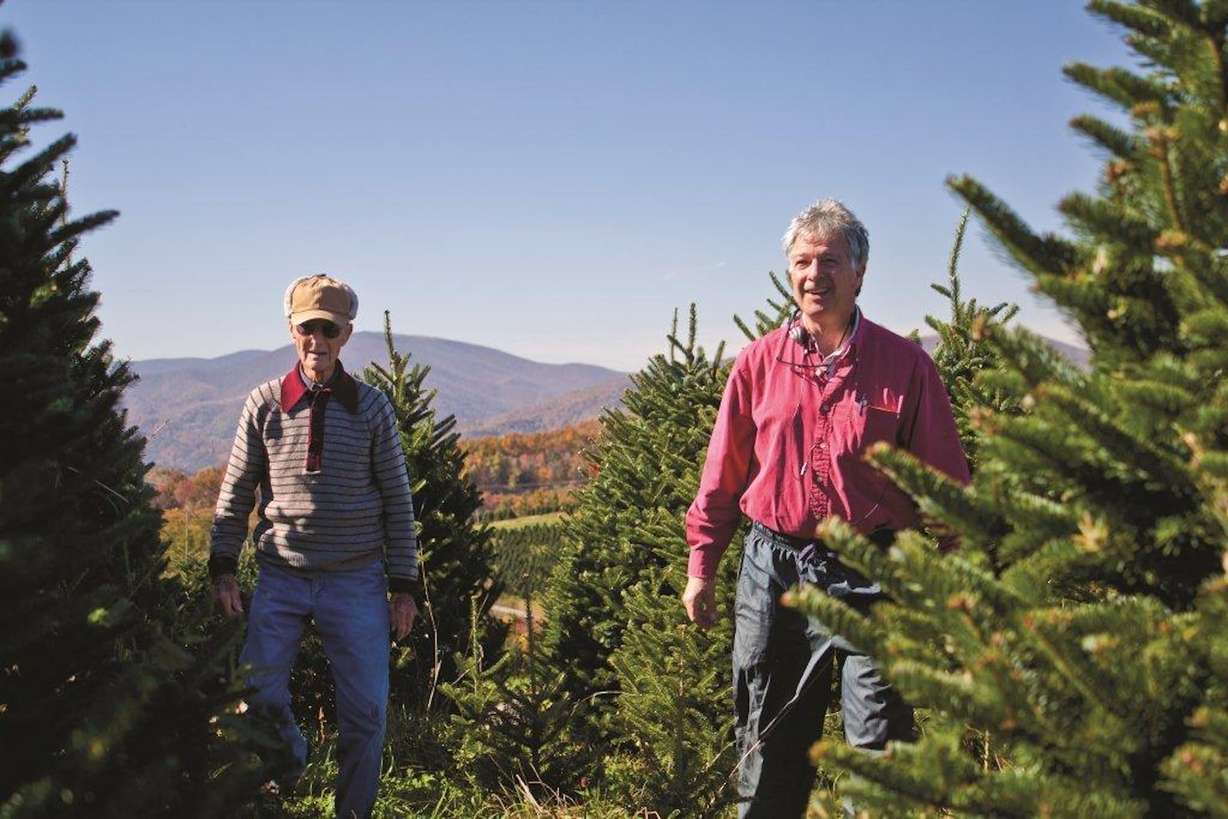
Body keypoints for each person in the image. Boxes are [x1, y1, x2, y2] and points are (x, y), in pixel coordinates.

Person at [682, 199, 971, 818]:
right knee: (768, 737)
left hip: (873, 571)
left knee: (879, 742)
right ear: (790, 273)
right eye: (803, 262)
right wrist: (701, 566)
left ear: (859, 273)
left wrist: (957, 578)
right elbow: (723, 475)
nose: (815, 274)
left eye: (830, 261)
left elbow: (945, 483)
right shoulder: (758, 364)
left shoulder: (906, 366)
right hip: (774, 571)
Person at [209, 274, 419, 819]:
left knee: (367, 714)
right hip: (280, 577)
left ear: (346, 334)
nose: (316, 340)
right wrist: (224, 568)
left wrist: (403, 587)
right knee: (259, 695)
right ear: (291, 330)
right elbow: (236, 490)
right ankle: (290, 761)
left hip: (356, 581)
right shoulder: (264, 404)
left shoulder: (372, 410)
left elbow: (398, 500)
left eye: (328, 329)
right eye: (307, 328)